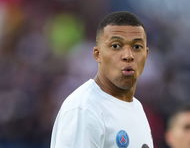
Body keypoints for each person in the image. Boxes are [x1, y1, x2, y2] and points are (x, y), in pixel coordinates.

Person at [50, 11, 153, 148]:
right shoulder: (84, 108)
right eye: (116, 46)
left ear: (146, 54)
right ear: (97, 54)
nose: (128, 55)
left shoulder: (137, 107)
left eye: (136, 47)